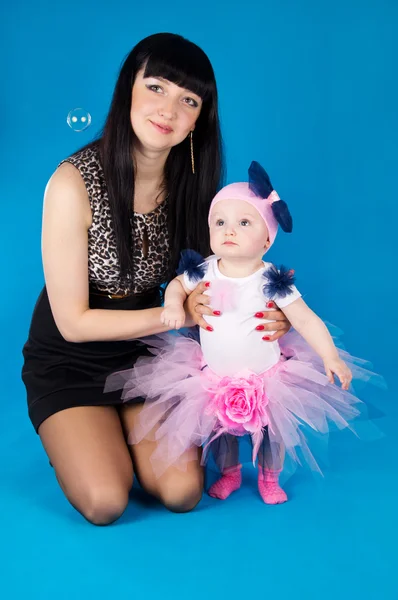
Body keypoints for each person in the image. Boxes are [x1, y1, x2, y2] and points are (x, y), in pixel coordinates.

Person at [21, 33, 291, 525]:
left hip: (153, 357)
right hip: (71, 359)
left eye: (189, 100)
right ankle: (90, 433)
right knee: (106, 501)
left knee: (183, 492)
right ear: (128, 89)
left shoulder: (197, 186)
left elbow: (223, 278)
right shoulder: (72, 183)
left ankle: (127, 432)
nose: (169, 109)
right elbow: (73, 324)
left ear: (197, 122)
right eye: (157, 87)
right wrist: (176, 316)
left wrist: (271, 315)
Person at [106, 161, 382, 505]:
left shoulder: (272, 280)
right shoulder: (204, 270)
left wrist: (331, 356)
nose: (229, 231)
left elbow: (306, 319)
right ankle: (230, 473)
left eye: (243, 223)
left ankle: (269, 478)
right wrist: (174, 306)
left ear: (267, 239)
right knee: (220, 433)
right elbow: (176, 286)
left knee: (271, 434)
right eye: (219, 222)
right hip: (213, 376)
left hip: (266, 377)